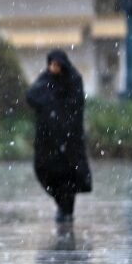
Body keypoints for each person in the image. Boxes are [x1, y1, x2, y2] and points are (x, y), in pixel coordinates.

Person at [27, 49, 92, 223]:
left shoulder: (73, 80)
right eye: (51, 64)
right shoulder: (45, 79)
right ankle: (62, 206)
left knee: (67, 175)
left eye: (56, 65)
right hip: (47, 140)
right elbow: (32, 96)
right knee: (45, 170)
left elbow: (75, 106)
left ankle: (66, 210)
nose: (53, 68)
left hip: (69, 140)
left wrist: (60, 116)